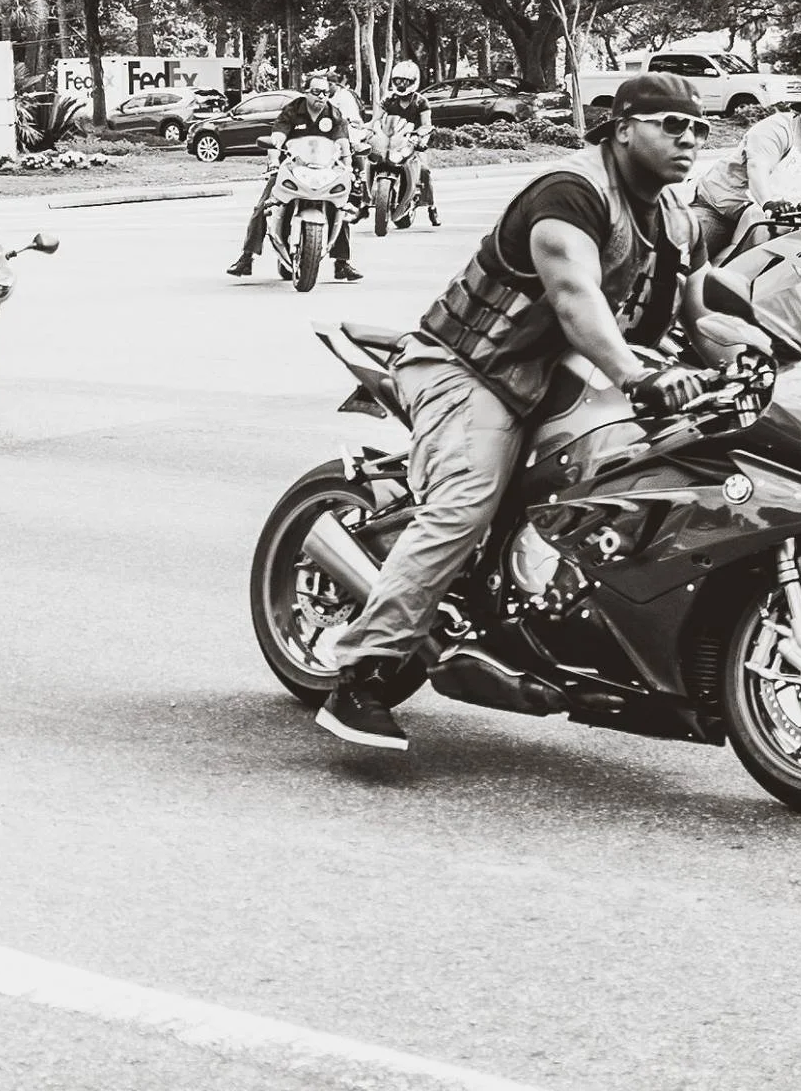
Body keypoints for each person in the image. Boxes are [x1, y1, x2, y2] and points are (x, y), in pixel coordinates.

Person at [317, 73, 716, 753]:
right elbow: (574, 298)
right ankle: (363, 673)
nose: (690, 139)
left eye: (699, 128)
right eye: (670, 125)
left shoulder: (677, 218)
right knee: (465, 501)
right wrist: (635, 374)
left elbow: (704, 314)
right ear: (621, 127)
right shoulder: (569, 194)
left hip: (566, 380)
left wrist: (778, 354)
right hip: (473, 370)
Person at [690, 77, 801, 259]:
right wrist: (768, 203)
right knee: (681, 259)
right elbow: (758, 168)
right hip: (720, 210)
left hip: (768, 220)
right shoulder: (779, 128)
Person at [227, 70, 362, 283]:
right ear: (306, 92)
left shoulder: (333, 113)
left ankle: (341, 263)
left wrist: (348, 167)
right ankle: (247, 258)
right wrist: (273, 160)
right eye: (317, 92)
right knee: (263, 207)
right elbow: (277, 137)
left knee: (339, 206)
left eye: (325, 93)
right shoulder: (292, 110)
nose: (321, 97)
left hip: (324, 170)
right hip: (292, 168)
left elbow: (343, 142)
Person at [374, 61, 435, 227]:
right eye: (398, 81)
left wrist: (422, 138)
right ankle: (365, 201)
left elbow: (426, 124)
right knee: (372, 159)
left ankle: (431, 206)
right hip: (391, 142)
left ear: (413, 81)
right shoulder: (388, 99)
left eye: (405, 81)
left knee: (424, 171)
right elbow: (376, 120)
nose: (401, 85)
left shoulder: (421, 102)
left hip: (412, 143)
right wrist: (370, 131)